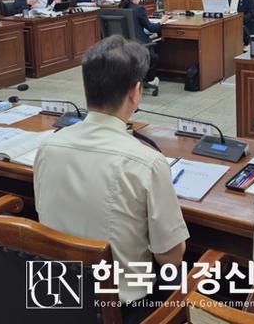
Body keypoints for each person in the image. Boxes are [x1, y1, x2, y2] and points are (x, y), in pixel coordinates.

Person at [33, 36, 188, 323]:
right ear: (136, 92)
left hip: (57, 297)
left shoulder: (48, 146)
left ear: (86, 88)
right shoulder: (146, 162)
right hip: (122, 309)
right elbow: (171, 258)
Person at [120, 0, 169, 86]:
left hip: (124, 45)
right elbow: (151, 28)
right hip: (139, 45)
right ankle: (150, 79)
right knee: (155, 45)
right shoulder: (139, 9)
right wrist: (161, 21)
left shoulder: (121, 8)